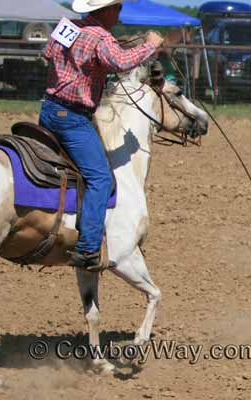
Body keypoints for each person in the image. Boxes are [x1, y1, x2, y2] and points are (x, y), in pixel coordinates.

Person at [39, 0, 164, 269]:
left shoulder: (68, 26)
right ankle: (87, 249)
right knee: (100, 178)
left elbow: (48, 53)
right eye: (117, 8)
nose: (119, 13)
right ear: (106, 10)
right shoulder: (101, 37)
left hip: (48, 110)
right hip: (73, 119)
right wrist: (150, 45)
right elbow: (120, 62)